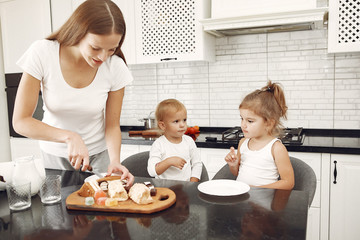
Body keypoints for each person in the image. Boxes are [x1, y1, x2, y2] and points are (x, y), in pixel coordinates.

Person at [12, 0, 134, 186]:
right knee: (59, 212)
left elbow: (112, 126)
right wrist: (69, 136)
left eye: (112, 49)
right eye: (95, 47)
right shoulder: (43, 53)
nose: (103, 57)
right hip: (55, 157)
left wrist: (115, 160)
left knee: (101, 212)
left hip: (98, 158)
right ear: (79, 33)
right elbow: (21, 122)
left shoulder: (115, 67)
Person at [224, 81, 294, 190]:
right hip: (242, 198)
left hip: (264, 202)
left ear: (269, 123)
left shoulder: (276, 148)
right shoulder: (243, 142)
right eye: (242, 118)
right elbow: (237, 173)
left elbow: (288, 182)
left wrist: (258, 190)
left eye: (250, 121)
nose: (243, 124)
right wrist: (233, 165)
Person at [147, 99, 202, 182]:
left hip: (186, 188)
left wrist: (192, 183)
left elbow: (197, 164)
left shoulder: (189, 141)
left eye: (184, 120)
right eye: (176, 121)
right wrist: (169, 162)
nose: (182, 125)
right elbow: (152, 171)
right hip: (165, 189)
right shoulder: (159, 144)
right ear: (163, 125)